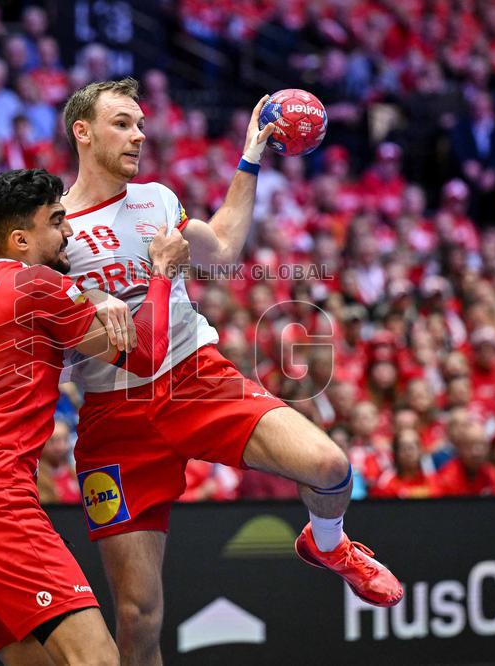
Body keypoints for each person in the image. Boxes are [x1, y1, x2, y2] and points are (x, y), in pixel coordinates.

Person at [58, 78, 403, 662]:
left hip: (196, 378)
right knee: (139, 617)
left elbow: (220, 247)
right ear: (83, 132)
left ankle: (328, 542)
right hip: (114, 417)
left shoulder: (157, 200)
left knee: (329, 467)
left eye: (141, 124)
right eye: (122, 123)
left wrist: (250, 160)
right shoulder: (57, 226)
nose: (138, 135)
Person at [0, 168, 186, 665]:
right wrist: (162, 272)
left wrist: (93, 296)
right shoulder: (36, 284)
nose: (69, 232)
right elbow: (147, 354)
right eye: (57, 221)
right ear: (21, 239)